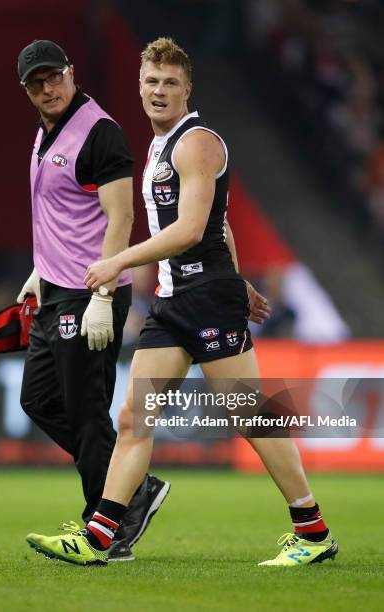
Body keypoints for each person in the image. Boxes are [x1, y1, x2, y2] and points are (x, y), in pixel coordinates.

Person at [26, 38, 338, 567]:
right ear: (140, 86)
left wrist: (119, 262)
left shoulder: (196, 143)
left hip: (206, 300)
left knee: (253, 415)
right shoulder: (159, 146)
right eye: (151, 82)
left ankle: (312, 531)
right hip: (175, 302)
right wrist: (241, 281)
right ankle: (100, 537)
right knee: (133, 419)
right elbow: (219, 223)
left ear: (187, 89)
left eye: (170, 83)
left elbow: (193, 230)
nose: (159, 91)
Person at [16, 39, 171, 562]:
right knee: (38, 400)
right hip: (57, 290)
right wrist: (40, 270)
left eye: (53, 77)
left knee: (86, 414)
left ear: (71, 72)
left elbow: (120, 218)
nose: (47, 88)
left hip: (89, 294)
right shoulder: (45, 132)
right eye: (36, 83)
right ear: (26, 90)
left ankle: (105, 529)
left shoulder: (99, 132)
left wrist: (103, 294)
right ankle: (135, 489)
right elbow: (62, 213)